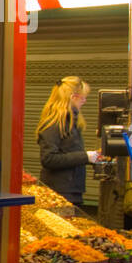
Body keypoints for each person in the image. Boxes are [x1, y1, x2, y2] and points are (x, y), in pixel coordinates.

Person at [37, 76, 100, 207]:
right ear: (73, 97)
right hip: (58, 194)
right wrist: (85, 156)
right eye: (83, 97)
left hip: (72, 191)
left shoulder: (71, 123)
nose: (85, 101)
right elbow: (48, 159)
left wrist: (90, 157)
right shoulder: (54, 124)